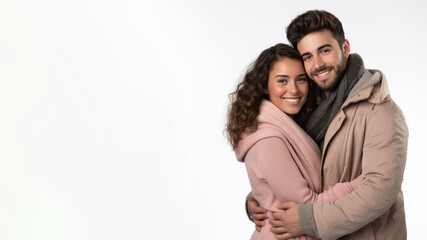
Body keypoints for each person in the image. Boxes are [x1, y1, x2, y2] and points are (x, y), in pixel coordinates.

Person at [248, 10, 409, 240]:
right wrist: (260, 199)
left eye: (324, 50)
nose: (318, 64)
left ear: (344, 48)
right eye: (308, 56)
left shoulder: (380, 111)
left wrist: (308, 219)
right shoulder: (304, 106)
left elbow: (380, 191)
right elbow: (296, 172)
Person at [226, 43, 362, 240]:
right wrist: (364, 182)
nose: (294, 90)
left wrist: (257, 198)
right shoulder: (269, 140)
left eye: (301, 79)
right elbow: (306, 207)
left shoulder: (289, 125)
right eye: (282, 81)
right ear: (264, 85)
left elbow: (281, 186)